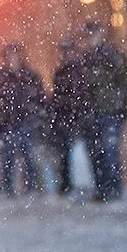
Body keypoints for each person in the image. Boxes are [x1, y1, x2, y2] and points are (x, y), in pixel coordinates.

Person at [0, 43, 46, 195]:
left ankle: (31, 188)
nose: (12, 59)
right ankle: (9, 188)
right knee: (8, 159)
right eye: (9, 56)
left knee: (29, 159)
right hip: (7, 125)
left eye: (15, 55)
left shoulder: (30, 77)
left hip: (26, 124)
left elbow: (40, 99)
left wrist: (37, 119)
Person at [80, 22, 127, 202]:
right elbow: (80, 89)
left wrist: (122, 106)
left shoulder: (112, 55)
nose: (91, 38)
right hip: (92, 114)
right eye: (89, 35)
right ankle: (102, 189)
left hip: (111, 112)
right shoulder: (86, 59)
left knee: (109, 151)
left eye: (93, 34)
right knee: (96, 153)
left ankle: (114, 190)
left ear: (101, 34)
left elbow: (125, 82)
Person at [48, 37, 86, 195]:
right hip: (64, 118)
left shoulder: (81, 71)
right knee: (64, 154)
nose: (67, 54)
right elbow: (58, 97)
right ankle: (66, 184)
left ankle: (76, 184)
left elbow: (83, 95)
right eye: (65, 52)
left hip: (78, 117)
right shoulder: (61, 73)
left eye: (69, 51)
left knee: (79, 153)